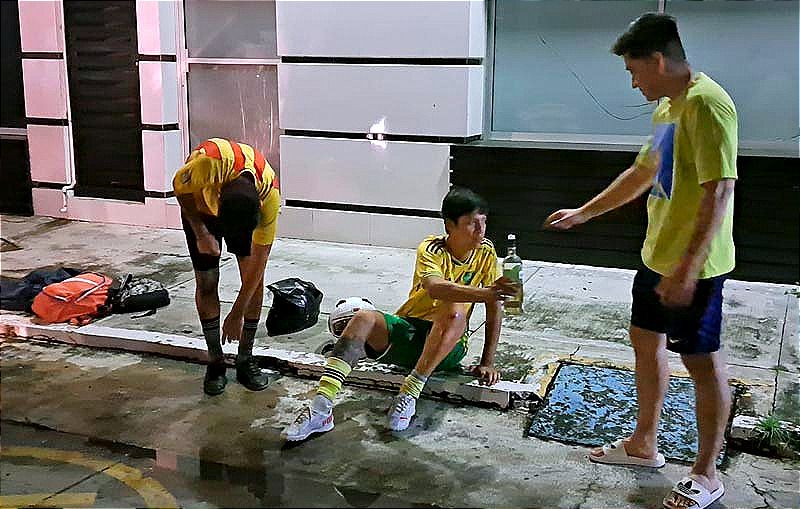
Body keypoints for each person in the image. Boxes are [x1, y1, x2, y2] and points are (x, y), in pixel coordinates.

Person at [544, 13, 737, 509]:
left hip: (695, 268)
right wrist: (584, 213)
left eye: (635, 71)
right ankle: (644, 444)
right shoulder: (668, 107)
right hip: (657, 255)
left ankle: (706, 473)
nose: (632, 82)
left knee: (701, 362)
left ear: (658, 60)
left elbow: (720, 191)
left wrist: (688, 269)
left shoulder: (707, 104)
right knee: (645, 341)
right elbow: (645, 171)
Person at [284, 187, 517, 440]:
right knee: (362, 317)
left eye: (484, 222)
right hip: (412, 331)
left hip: (449, 345)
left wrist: (487, 361)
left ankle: (409, 393)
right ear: (450, 225)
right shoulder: (432, 249)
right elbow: (435, 287)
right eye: (472, 224)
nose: (481, 231)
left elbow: (496, 305)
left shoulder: (486, 252)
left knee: (454, 308)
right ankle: (320, 410)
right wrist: (486, 293)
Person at [173, 137, 280, 396]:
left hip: (238, 210)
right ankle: (216, 362)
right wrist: (201, 233)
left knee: (253, 282)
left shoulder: (269, 197)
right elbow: (180, 189)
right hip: (201, 213)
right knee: (207, 281)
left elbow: (258, 266)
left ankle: (245, 359)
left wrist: (237, 313)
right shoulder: (206, 164)